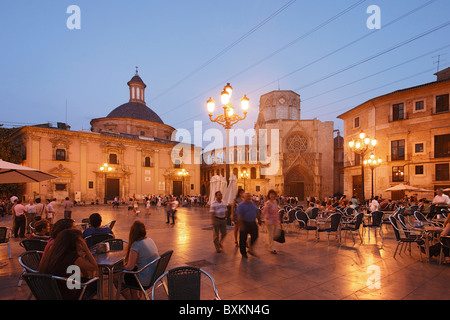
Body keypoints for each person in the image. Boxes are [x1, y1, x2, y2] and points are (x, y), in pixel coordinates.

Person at [38, 228, 98, 300]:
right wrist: (86, 249)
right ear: (73, 243)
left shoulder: (53, 253)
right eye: (80, 241)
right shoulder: (73, 257)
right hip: (67, 295)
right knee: (96, 282)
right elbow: (94, 267)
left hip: (51, 292)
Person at [119, 221, 159, 300]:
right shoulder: (150, 240)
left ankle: (134, 298)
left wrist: (122, 267)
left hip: (145, 279)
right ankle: (136, 297)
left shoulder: (136, 245)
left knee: (117, 278)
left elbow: (130, 267)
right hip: (155, 275)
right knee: (132, 273)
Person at [236, 192, 261, 258]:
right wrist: (241, 225)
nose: (249, 197)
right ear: (244, 198)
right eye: (247, 196)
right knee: (243, 239)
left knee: (255, 235)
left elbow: (256, 211)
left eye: (250, 196)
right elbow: (239, 215)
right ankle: (243, 253)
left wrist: (259, 219)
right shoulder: (241, 205)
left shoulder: (252, 203)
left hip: (252, 222)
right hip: (244, 222)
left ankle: (250, 247)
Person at [261, 189, 280, 254]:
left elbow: (277, 211)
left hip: (275, 220)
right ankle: (272, 248)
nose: (272, 195)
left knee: (276, 233)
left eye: (273, 194)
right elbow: (264, 211)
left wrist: (278, 218)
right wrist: (261, 218)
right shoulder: (268, 203)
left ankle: (268, 243)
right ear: (269, 195)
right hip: (269, 220)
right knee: (271, 234)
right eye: (271, 194)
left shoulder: (275, 202)